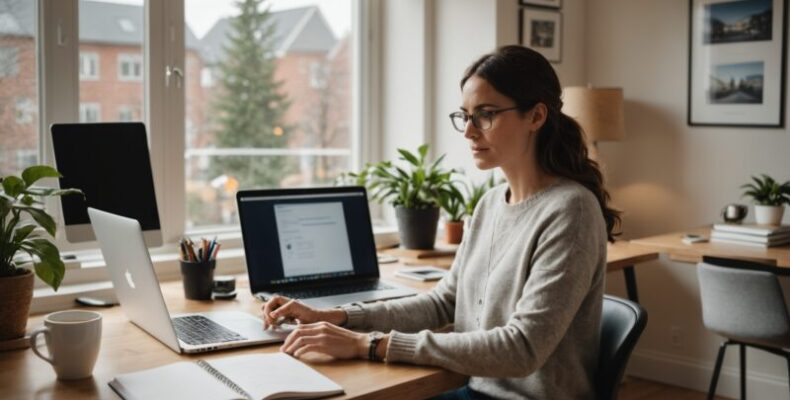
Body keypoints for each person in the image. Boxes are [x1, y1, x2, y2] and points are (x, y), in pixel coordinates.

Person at [262, 45, 621, 399]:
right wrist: (338, 316)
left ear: (536, 117)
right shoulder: (490, 204)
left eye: (486, 114)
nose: (468, 131)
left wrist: (369, 345)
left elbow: (522, 348)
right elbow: (442, 304)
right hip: (478, 390)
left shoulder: (571, 211)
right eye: (465, 115)